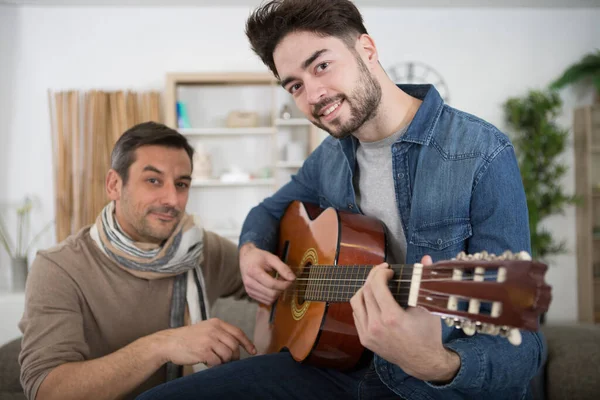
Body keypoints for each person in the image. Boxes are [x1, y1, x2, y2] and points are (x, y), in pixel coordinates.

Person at [137, 0, 546, 399]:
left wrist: (437, 363)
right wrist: (249, 249)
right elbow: (268, 211)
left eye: (321, 65)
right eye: (295, 85)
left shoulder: (480, 153)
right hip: (336, 366)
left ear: (366, 49)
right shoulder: (329, 158)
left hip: (427, 387)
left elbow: (522, 343)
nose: (313, 94)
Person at [18, 121, 256, 400]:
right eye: (153, 180)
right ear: (114, 185)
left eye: (181, 184)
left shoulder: (203, 249)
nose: (172, 199)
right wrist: (164, 344)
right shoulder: (59, 268)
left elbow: (278, 282)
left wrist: (255, 245)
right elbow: (47, 391)